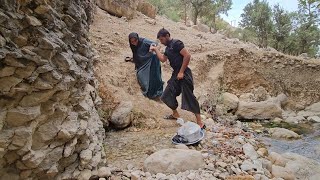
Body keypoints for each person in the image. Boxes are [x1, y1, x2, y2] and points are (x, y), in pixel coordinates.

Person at [150, 28, 206, 129]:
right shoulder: (167, 49)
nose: (161, 42)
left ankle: (200, 122)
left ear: (167, 36)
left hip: (184, 73)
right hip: (176, 74)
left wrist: (181, 71)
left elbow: (187, 56)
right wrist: (156, 50)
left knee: (189, 96)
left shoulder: (176, 43)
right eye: (160, 40)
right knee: (166, 95)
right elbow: (163, 59)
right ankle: (175, 114)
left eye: (162, 39)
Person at [128, 32, 163, 99]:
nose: (134, 43)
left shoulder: (144, 41)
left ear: (137, 38)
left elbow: (155, 44)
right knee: (142, 77)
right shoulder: (132, 45)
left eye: (135, 40)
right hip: (142, 63)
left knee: (154, 76)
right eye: (132, 41)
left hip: (150, 61)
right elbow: (136, 55)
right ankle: (150, 92)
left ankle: (156, 93)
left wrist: (152, 48)